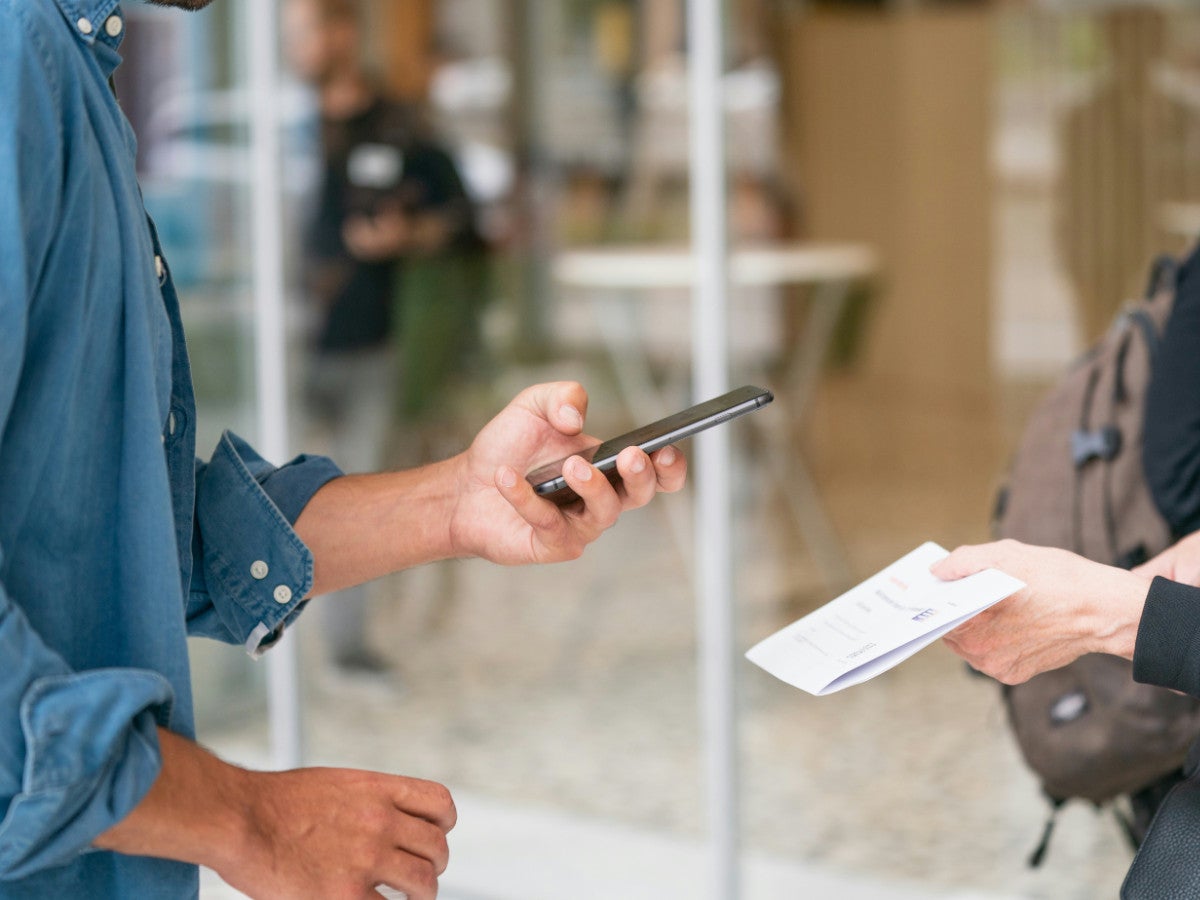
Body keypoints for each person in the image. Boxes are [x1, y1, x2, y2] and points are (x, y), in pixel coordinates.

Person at [0, 1, 687, 898]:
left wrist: (458, 501)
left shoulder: (67, 68)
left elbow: (104, 530)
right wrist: (251, 821)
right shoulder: (18, 64)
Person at [283, 0, 484, 675]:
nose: (296, 42)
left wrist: (407, 236)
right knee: (265, 495)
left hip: (372, 343)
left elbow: (462, 221)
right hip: (285, 351)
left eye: (306, 27)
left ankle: (347, 649)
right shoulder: (285, 127)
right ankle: (269, 651)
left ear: (343, 32)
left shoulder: (401, 130)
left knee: (356, 499)